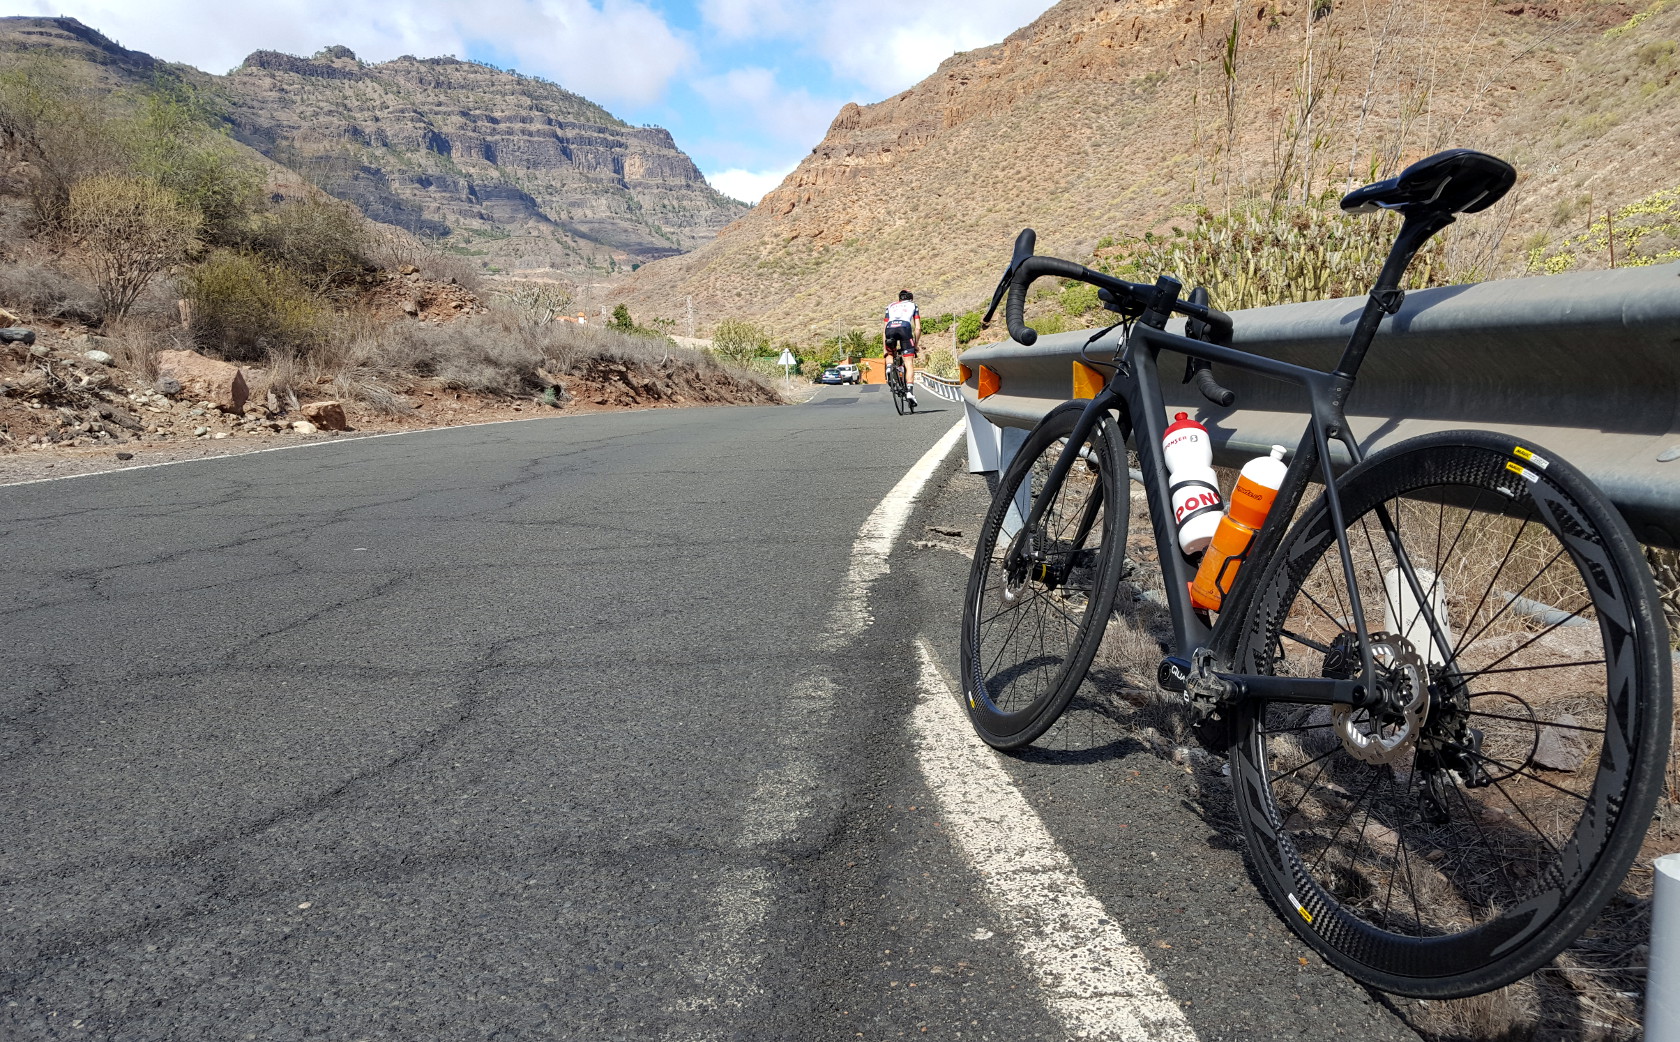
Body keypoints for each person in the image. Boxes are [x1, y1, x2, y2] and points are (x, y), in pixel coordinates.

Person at [883, 290, 920, 406]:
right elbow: (918, 328)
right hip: (904, 328)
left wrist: (885, 348)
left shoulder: (890, 306)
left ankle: (889, 367)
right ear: (911, 298)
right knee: (908, 363)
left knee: (890, 354)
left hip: (890, 328)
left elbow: (884, 329)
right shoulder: (913, 305)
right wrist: (916, 345)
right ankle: (909, 392)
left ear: (899, 299)